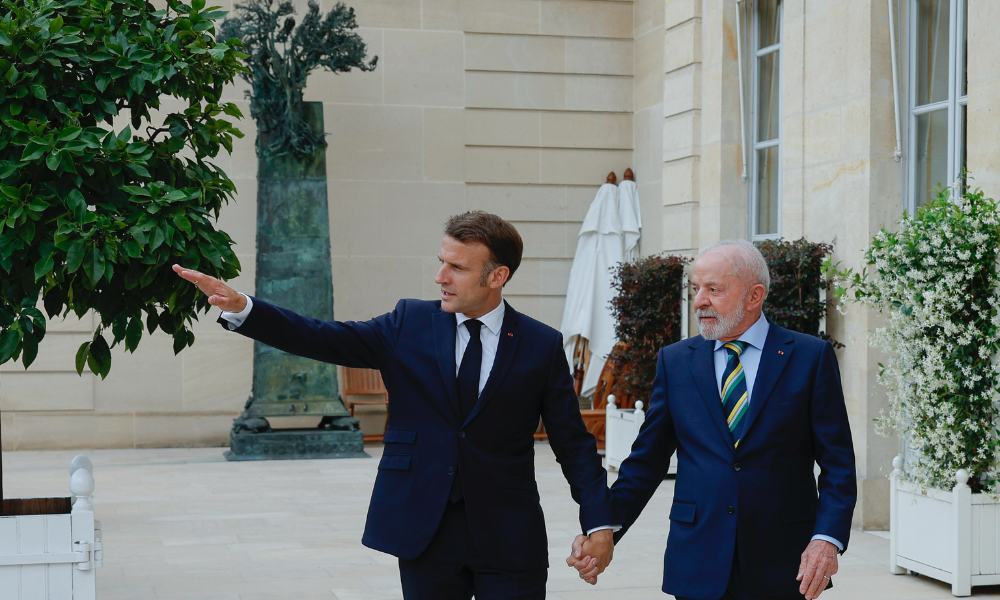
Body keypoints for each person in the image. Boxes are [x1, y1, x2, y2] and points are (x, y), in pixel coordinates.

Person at [174, 211, 615, 600]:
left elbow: (573, 444)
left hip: (509, 536)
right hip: (424, 530)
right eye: (441, 262)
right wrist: (244, 308)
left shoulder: (540, 344)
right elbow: (323, 336)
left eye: (457, 267)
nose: (440, 276)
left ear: (497, 276)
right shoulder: (410, 321)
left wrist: (599, 524)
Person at [569, 239, 857, 600]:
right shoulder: (676, 362)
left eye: (713, 289)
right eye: (696, 289)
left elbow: (838, 464)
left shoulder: (810, 358)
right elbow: (647, 462)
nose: (699, 301)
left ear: (754, 296)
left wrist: (826, 539)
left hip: (784, 562)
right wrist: (605, 528)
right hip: (697, 559)